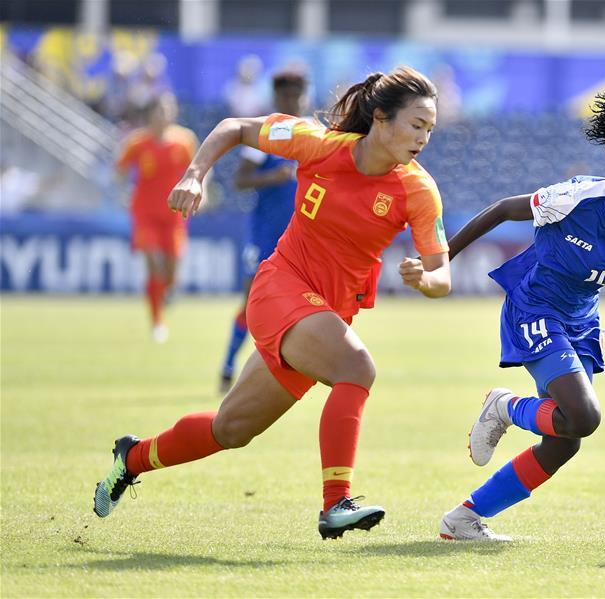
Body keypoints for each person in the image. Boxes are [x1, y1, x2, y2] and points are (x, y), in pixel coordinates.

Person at [94, 66, 452, 539]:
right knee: (357, 368)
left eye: (430, 128)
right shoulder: (320, 144)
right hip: (280, 286)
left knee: (232, 429)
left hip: (322, 315)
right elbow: (233, 128)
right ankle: (335, 503)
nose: (424, 137)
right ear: (381, 119)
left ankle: (132, 457)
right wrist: (195, 175)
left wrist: (425, 279)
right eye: (416, 125)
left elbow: (442, 274)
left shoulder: (418, 189)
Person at [437, 93, 605, 541]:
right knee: (584, 416)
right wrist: (442, 256)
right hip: (535, 306)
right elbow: (505, 209)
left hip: (582, 318)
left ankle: (464, 518)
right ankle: (505, 407)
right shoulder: (577, 197)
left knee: (566, 440)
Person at [219, 70, 310, 393]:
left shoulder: (315, 136)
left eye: (296, 97)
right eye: (285, 97)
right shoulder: (266, 135)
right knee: (250, 302)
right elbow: (239, 180)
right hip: (264, 234)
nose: (291, 102)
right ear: (275, 99)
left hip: (301, 240)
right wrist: (272, 179)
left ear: (305, 98)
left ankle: (289, 370)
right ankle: (228, 364)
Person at [116, 92, 198, 342]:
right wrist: (124, 193)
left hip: (174, 214)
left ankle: (166, 290)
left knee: (171, 271)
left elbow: (199, 168)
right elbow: (119, 171)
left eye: (168, 109)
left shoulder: (184, 141)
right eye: (160, 110)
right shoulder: (137, 143)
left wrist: (198, 189)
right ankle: (157, 323)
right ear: (150, 114)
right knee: (153, 263)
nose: (164, 114)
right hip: (145, 213)